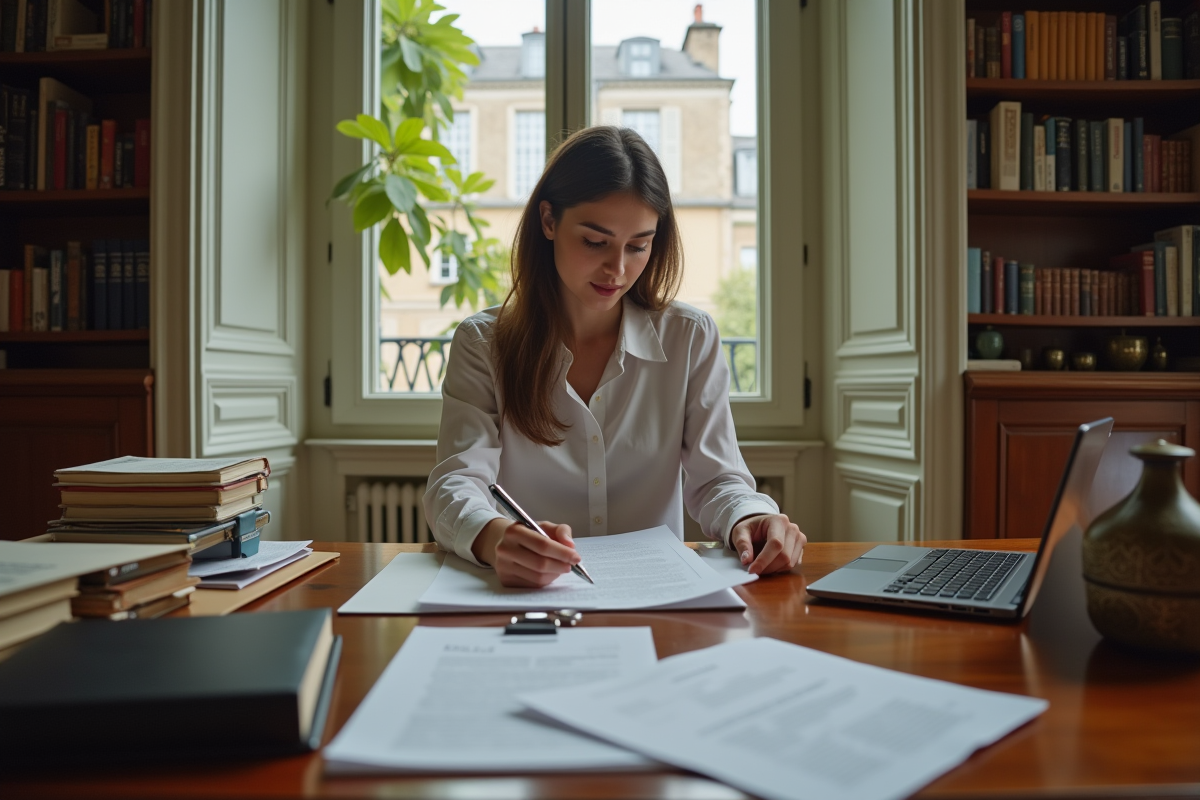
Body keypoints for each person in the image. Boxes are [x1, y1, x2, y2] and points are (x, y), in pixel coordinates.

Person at [423, 126, 805, 588]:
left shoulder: (689, 337)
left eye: (639, 245)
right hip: (530, 601)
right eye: (594, 241)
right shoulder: (484, 343)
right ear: (548, 221)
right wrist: (494, 536)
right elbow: (454, 485)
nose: (617, 269)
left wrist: (751, 516)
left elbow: (718, 479)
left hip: (658, 601)